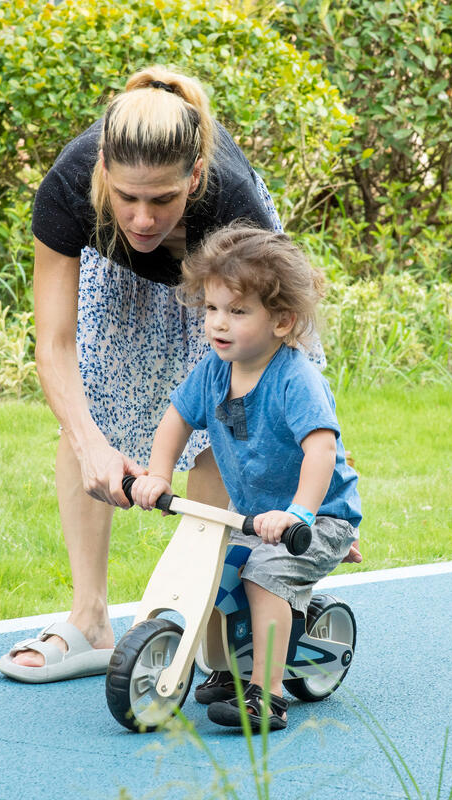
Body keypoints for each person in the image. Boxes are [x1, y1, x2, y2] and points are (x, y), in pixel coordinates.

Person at [0, 65, 335, 683]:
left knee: (232, 422)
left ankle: (201, 609)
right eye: (127, 197)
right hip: (120, 275)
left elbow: (269, 379)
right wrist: (92, 443)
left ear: (196, 178)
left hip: (231, 285)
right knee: (87, 415)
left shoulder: (233, 202)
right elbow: (54, 344)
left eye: (162, 199)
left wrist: (311, 501)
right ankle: (91, 621)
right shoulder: (70, 188)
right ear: (102, 169)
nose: (144, 218)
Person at [130, 224, 362, 731]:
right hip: (258, 517)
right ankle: (231, 664)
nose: (220, 323)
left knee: (264, 575)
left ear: (282, 321)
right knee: (213, 570)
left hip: (317, 515)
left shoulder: (296, 379)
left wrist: (300, 512)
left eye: (238, 311)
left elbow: (321, 450)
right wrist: (158, 474)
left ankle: (268, 692)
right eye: (212, 308)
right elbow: (175, 419)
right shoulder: (213, 371)